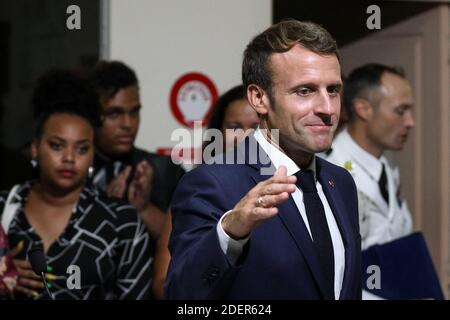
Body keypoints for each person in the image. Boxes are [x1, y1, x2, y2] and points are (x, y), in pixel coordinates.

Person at [165, 20, 361, 300]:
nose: (327, 108)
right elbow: (183, 296)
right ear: (259, 98)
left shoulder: (340, 182)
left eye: (333, 89)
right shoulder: (213, 184)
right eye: (304, 91)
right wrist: (230, 232)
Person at [0, 70, 152, 299]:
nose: (69, 158)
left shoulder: (122, 222)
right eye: (57, 146)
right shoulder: (4, 207)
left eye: (82, 148)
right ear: (35, 148)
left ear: (92, 154)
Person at [152, 84, 259, 299]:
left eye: (256, 127)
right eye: (235, 127)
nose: (246, 136)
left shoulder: (287, 187)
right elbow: (162, 284)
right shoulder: (197, 189)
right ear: (218, 133)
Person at [89, 61, 185, 242]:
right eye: (114, 114)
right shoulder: (71, 171)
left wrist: (144, 209)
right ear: (92, 113)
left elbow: (190, 243)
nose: (127, 124)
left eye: (134, 112)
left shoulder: (166, 171)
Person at [324, 63, 414, 250]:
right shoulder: (329, 171)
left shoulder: (384, 166)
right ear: (364, 109)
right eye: (400, 111)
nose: (410, 122)